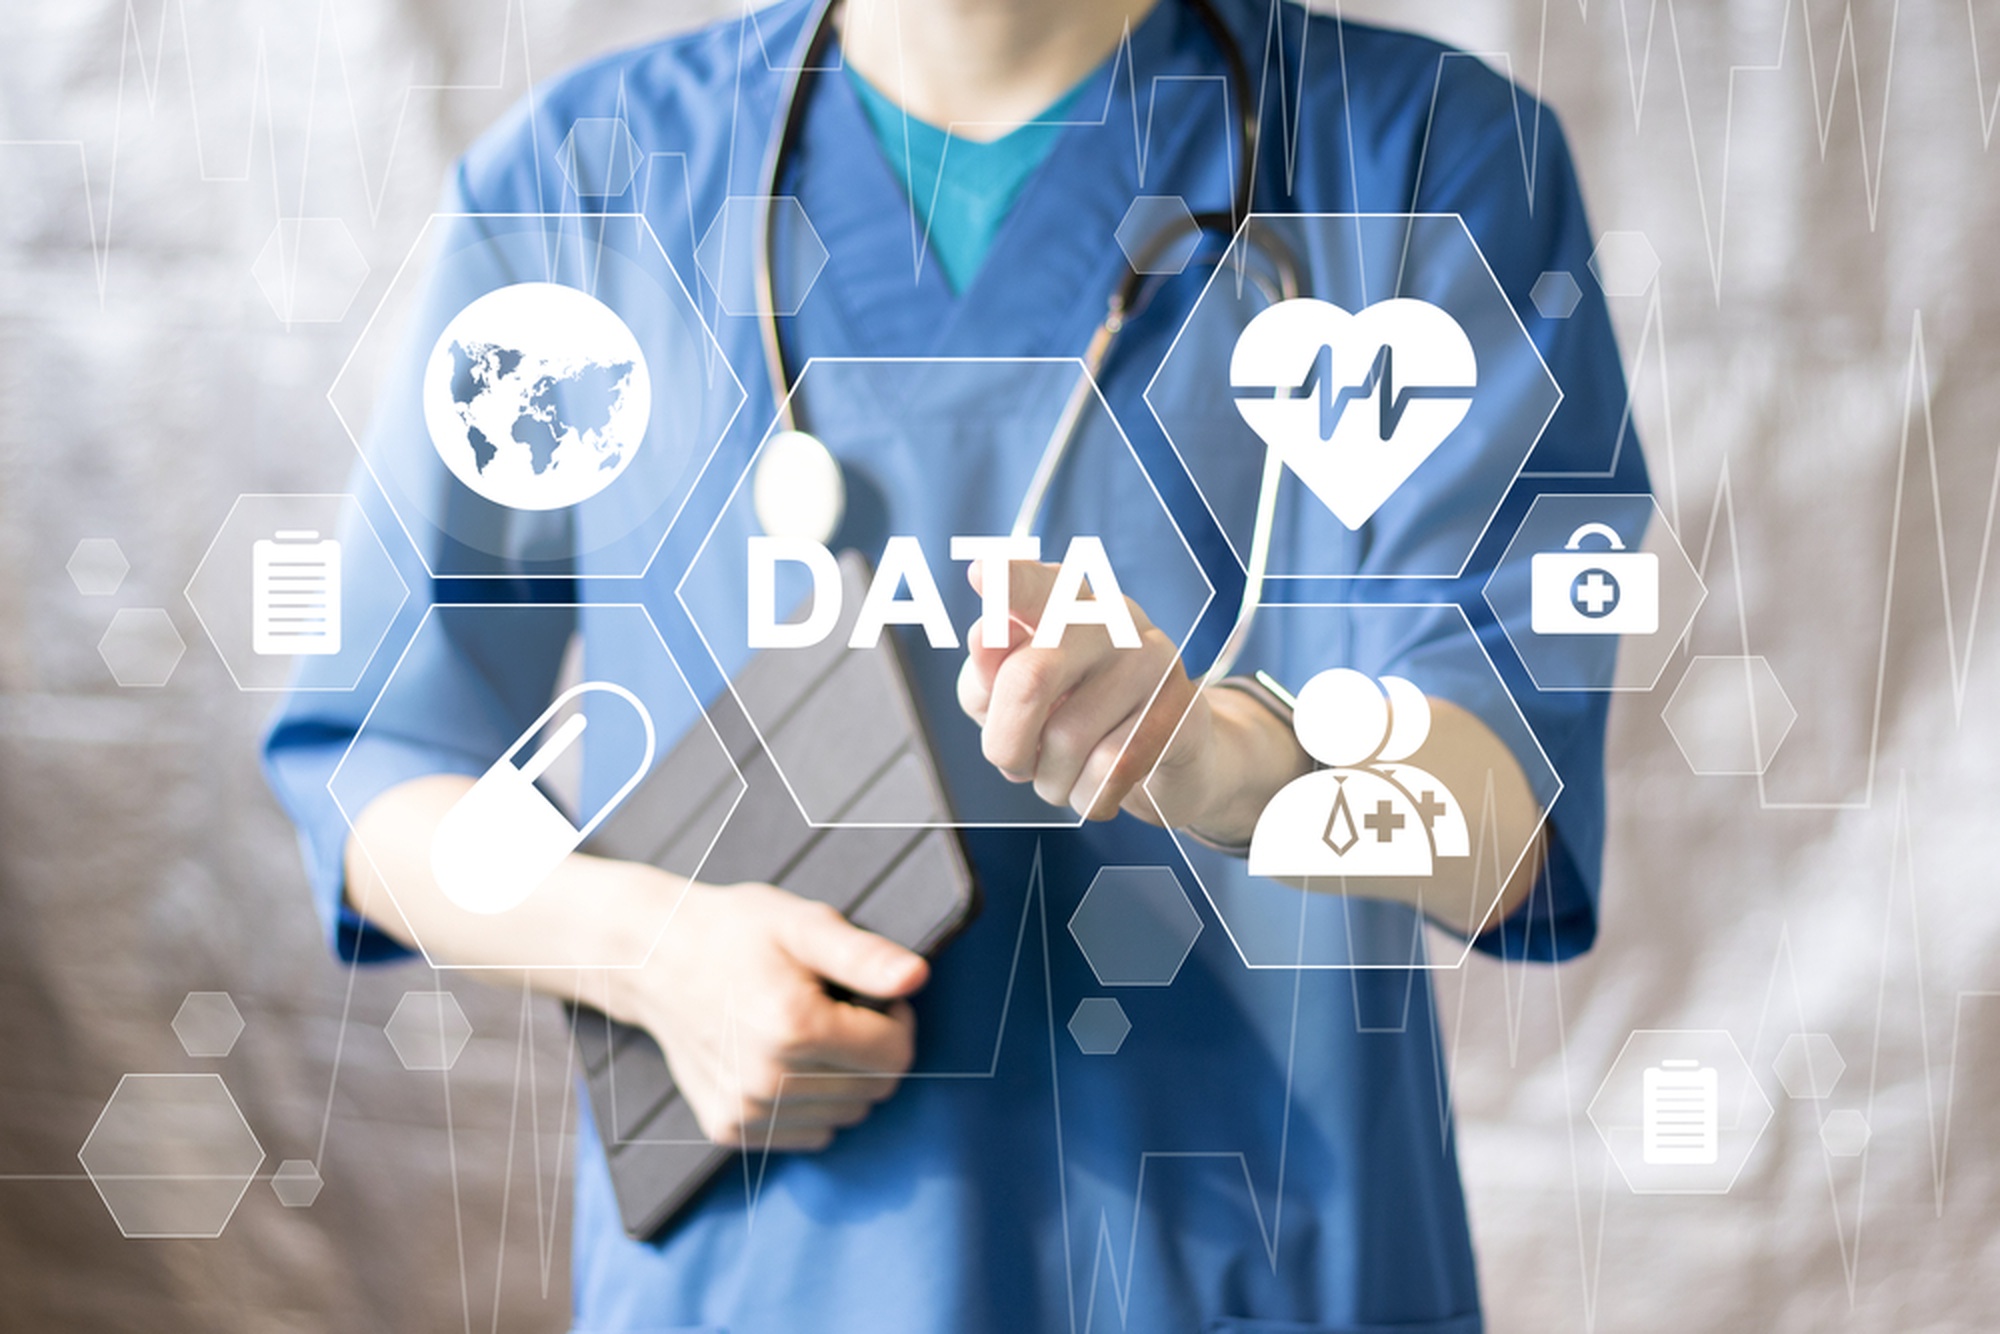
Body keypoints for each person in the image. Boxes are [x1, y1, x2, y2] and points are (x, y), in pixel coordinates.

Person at [265, 0, 1648, 1329]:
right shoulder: (584, 184)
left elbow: (1510, 823)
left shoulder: (1419, 158)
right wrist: (646, 951)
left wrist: (1228, 761)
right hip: (768, 1283)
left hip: (1252, 1267)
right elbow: (381, 771)